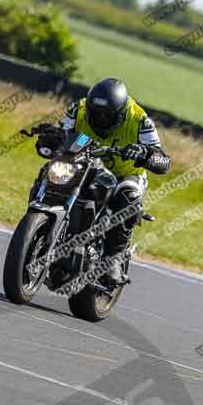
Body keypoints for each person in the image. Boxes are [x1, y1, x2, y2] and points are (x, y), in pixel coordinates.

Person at [35, 78, 170, 287]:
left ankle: (112, 259)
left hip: (124, 173)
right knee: (51, 170)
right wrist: (52, 137)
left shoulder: (139, 120)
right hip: (86, 159)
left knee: (129, 196)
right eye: (95, 114)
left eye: (106, 116)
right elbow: (64, 133)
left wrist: (144, 153)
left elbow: (163, 160)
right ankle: (41, 217)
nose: (100, 119)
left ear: (120, 114)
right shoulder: (78, 109)